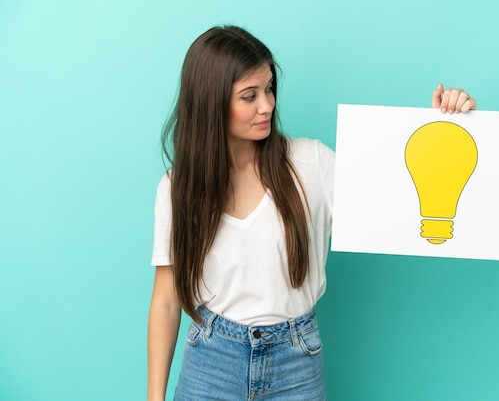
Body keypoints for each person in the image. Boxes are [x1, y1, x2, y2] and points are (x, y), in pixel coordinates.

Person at [147, 25, 476, 401]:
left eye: (269, 89)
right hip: (211, 361)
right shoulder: (177, 188)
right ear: (210, 102)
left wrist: (447, 124)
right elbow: (166, 300)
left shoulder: (312, 164)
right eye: (249, 95)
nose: (267, 105)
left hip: (296, 362)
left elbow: (400, 199)